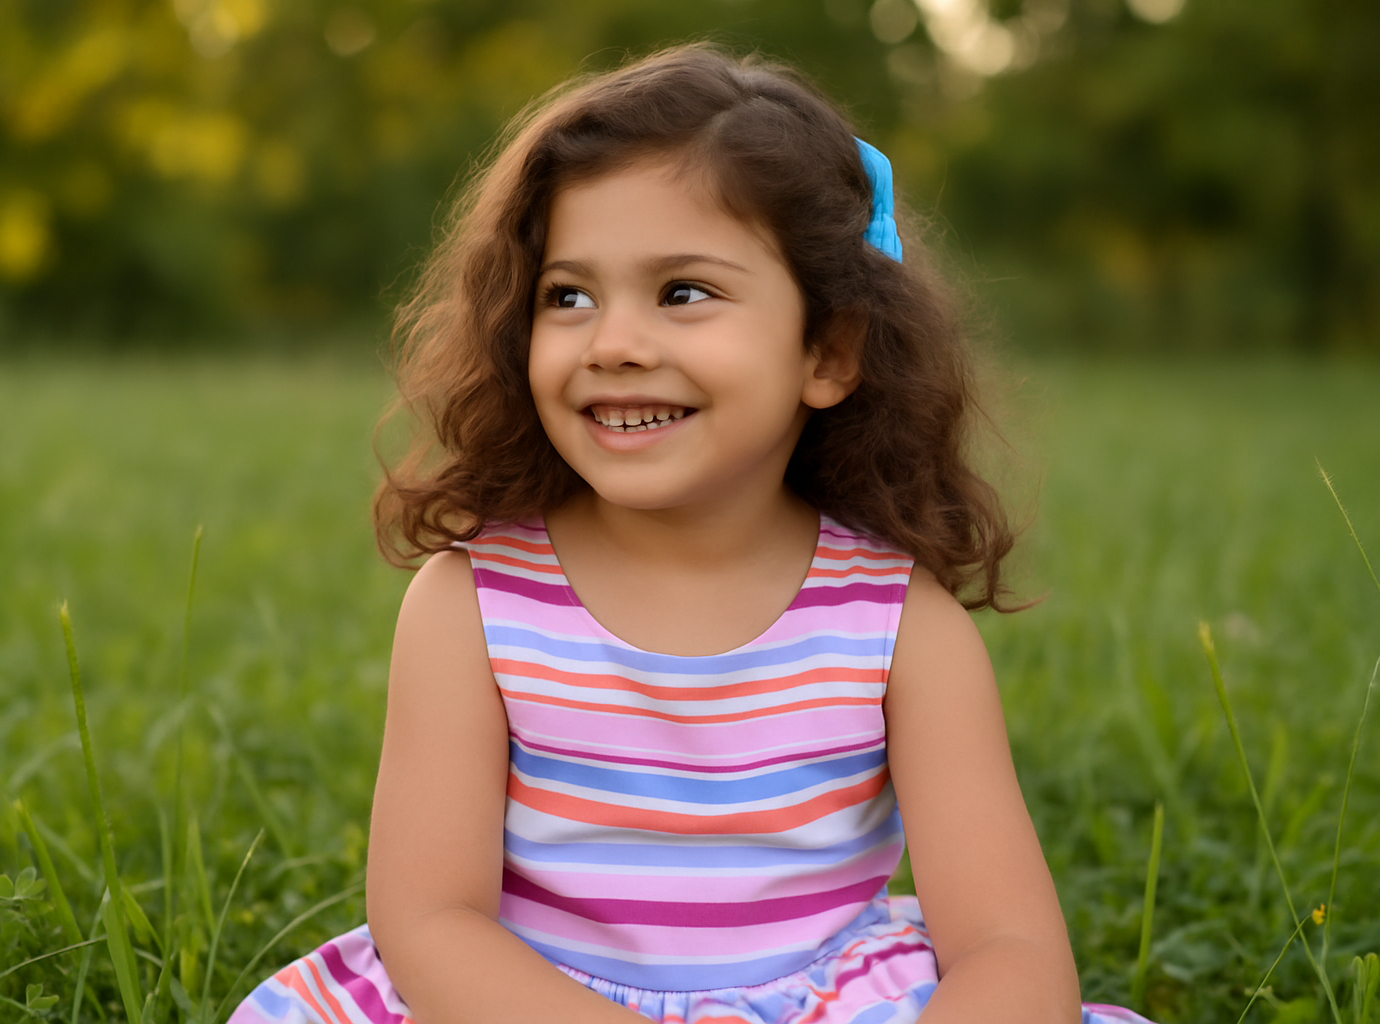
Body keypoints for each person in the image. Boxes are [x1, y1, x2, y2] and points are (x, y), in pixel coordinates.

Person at [230, 43, 1156, 1024]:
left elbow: (1006, 944)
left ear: (828, 351)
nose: (614, 342)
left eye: (682, 292)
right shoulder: (477, 603)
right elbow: (430, 919)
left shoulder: (897, 625)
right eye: (568, 295)